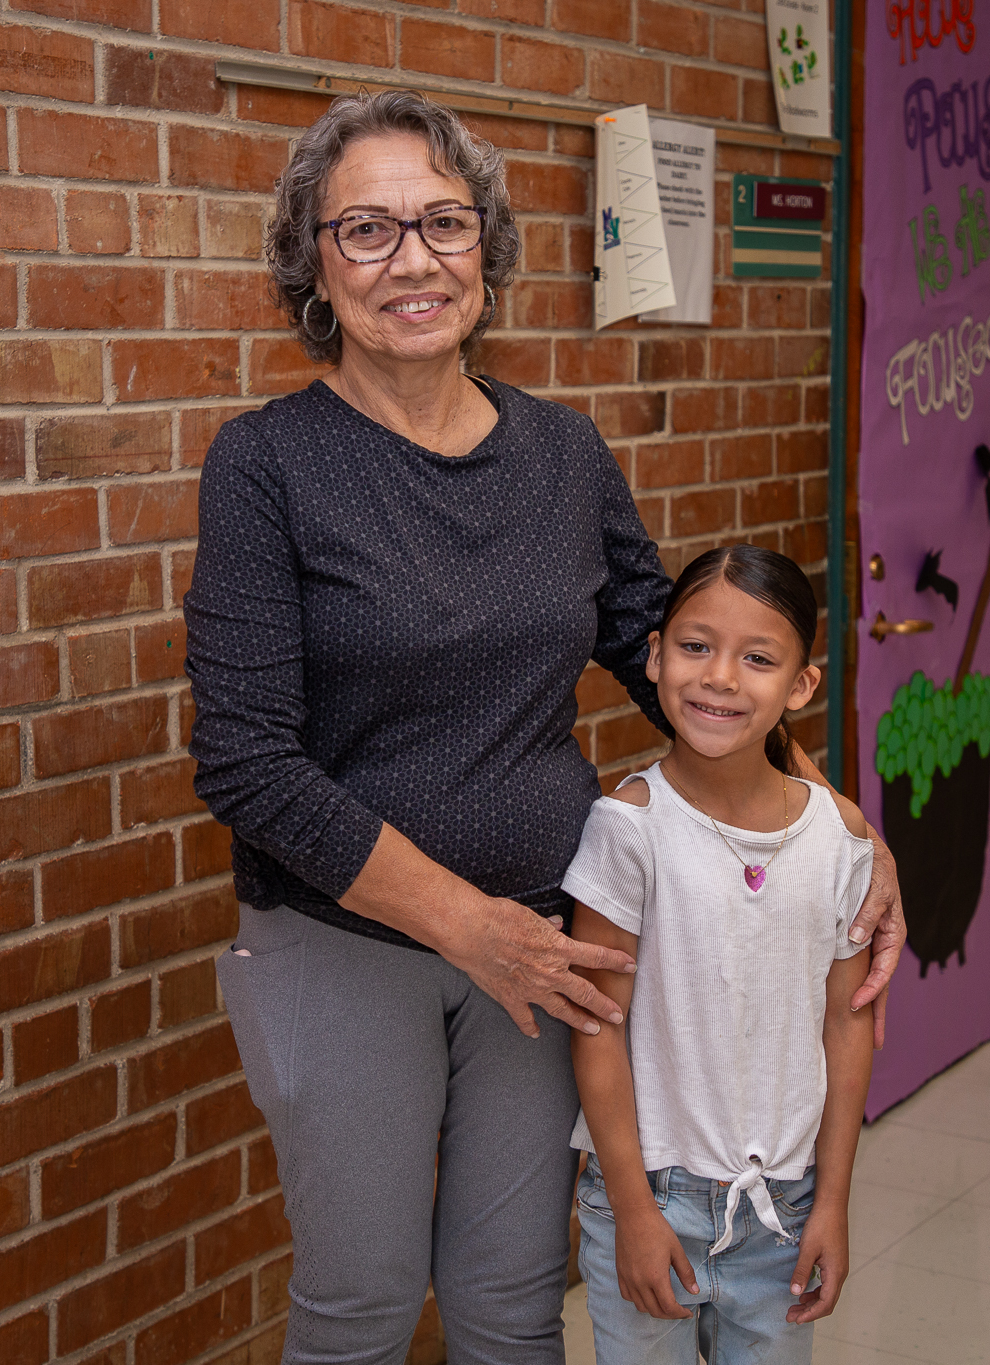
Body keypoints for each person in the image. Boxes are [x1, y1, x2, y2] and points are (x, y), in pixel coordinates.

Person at [184, 89, 907, 1365]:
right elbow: (245, 758)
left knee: (514, 1301)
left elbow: (666, 662)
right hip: (345, 943)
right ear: (310, 263)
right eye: (365, 229)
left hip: (554, 932)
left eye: (444, 223)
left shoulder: (562, 455)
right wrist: (474, 931)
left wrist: (839, 829)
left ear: (486, 250)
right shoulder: (266, 464)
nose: (412, 258)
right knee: (359, 1304)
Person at [566, 545, 875, 1364]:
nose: (721, 678)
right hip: (651, 1198)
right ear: (656, 655)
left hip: (785, 1206)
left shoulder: (840, 840)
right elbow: (595, 1028)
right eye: (696, 646)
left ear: (801, 685)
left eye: (759, 658)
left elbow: (849, 1029)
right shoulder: (627, 829)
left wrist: (833, 1201)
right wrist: (632, 1209)